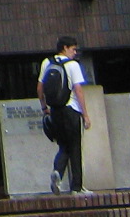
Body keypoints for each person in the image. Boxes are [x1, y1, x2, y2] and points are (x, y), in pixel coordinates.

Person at [38, 36, 91, 195]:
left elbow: (40, 88)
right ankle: (77, 187)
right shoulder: (72, 65)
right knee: (75, 147)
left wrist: (44, 108)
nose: (75, 53)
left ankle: (58, 173)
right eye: (73, 49)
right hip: (71, 110)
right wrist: (85, 114)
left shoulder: (47, 63)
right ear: (65, 47)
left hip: (55, 111)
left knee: (64, 146)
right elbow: (78, 90)